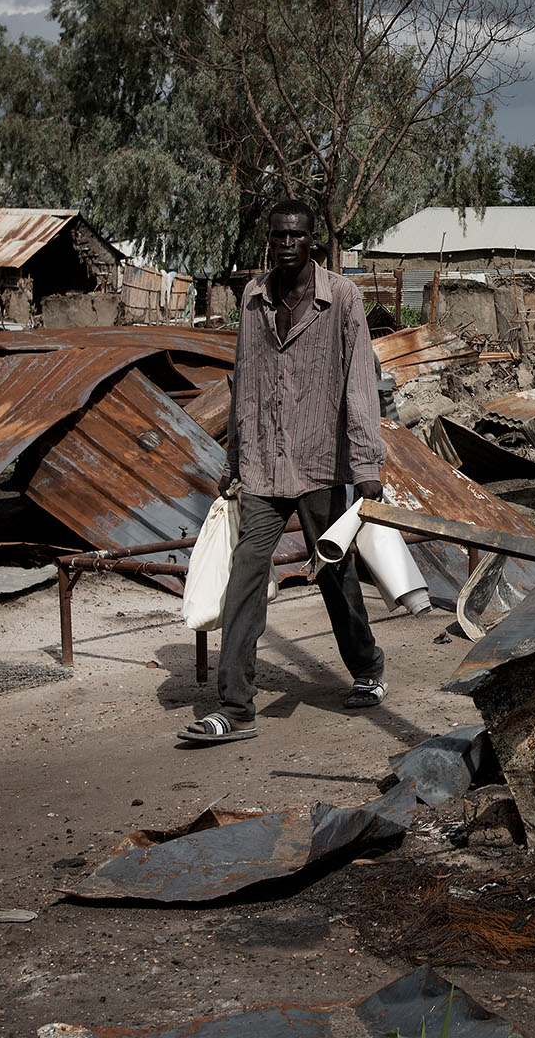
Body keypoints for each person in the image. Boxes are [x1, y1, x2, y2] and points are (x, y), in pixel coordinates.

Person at [181, 199, 388, 743]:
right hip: (263, 465)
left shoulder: (341, 297)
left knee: (334, 571)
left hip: (320, 462)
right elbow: (245, 381)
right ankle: (234, 706)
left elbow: (359, 383)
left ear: (313, 240)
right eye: (278, 236)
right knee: (246, 573)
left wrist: (366, 463)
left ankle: (367, 667)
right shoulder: (253, 297)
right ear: (269, 240)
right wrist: (233, 461)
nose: (286, 244)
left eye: (296, 235)